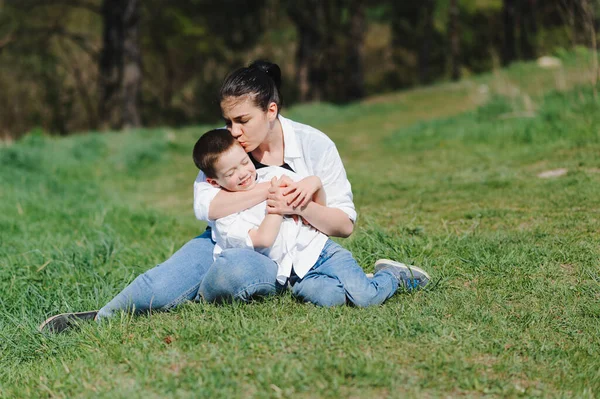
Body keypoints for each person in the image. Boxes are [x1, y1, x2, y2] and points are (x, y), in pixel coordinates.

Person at [39, 60, 431, 333]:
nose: (234, 131)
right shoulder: (224, 150)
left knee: (237, 276)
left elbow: (344, 225)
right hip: (227, 243)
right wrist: (266, 190)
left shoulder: (314, 144)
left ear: (271, 110)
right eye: (228, 121)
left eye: (242, 120)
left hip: (289, 252)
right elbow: (207, 207)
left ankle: (216, 290)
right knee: (160, 284)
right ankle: (100, 318)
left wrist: (305, 194)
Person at [192, 128, 430, 297]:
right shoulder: (226, 219)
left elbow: (318, 207)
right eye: (231, 172)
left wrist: (315, 184)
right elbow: (263, 239)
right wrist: (276, 202)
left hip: (319, 250)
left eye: (245, 162)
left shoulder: (272, 176)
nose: (243, 173)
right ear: (214, 182)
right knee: (328, 298)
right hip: (296, 274)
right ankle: (354, 281)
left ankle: (392, 277)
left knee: (365, 298)